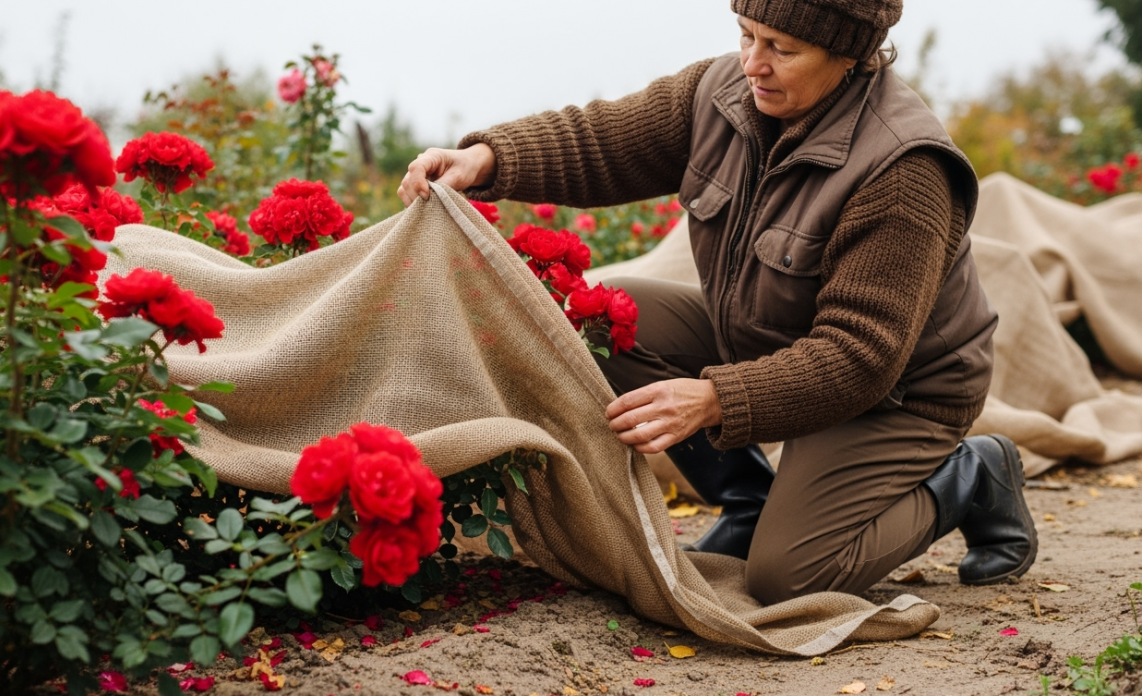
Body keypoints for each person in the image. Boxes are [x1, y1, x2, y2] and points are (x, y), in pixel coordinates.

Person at [397, 0, 1037, 605]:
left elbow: (860, 357)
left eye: (781, 48)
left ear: (851, 54)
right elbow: (603, 141)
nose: (752, 63)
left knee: (790, 575)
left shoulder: (903, 169)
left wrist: (714, 400)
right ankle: (749, 500)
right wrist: (486, 157)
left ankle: (971, 477)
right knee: (597, 316)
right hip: (766, 340)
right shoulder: (722, 92)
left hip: (897, 393)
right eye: (746, 34)